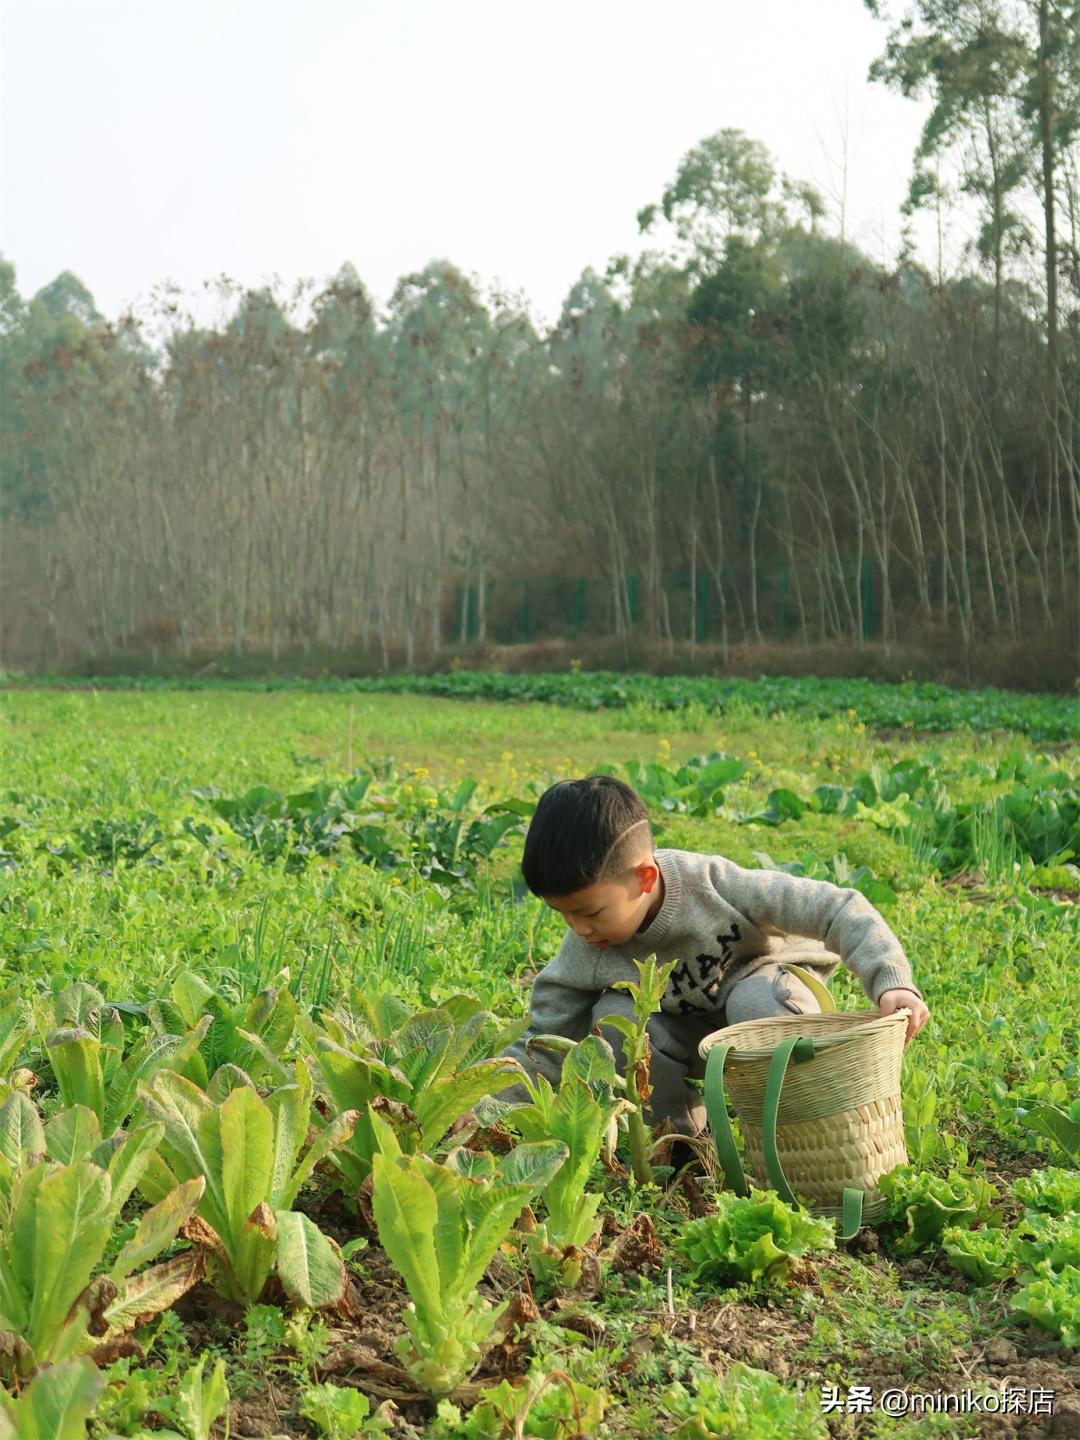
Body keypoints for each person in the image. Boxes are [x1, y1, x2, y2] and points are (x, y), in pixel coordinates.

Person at [503, 774, 929, 1136]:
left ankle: (795, 1130)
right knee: (618, 1019)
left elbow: (837, 907)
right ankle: (676, 1140)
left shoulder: (713, 885)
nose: (579, 928)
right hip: (689, 1028)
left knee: (755, 1002)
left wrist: (890, 981)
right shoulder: (586, 949)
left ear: (644, 878)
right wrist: (488, 1100)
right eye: (563, 915)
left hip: (768, 992)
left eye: (591, 912)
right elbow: (545, 1040)